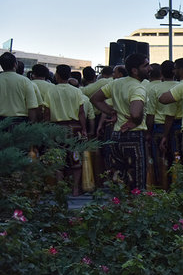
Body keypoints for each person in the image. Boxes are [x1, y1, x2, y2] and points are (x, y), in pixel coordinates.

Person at [91, 53, 151, 190]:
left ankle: (120, 208)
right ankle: (135, 210)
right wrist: (136, 120)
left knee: (120, 180)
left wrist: (112, 112)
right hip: (133, 136)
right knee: (137, 182)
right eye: (146, 66)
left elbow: (95, 99)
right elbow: (135, 113)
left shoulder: (116, 83)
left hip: (116, 136)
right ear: (135, 70)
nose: (150, 68)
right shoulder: (138, 88)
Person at [43, 64, 88, 196]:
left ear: (57, 75)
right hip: (74, 128)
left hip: (56, 129)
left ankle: (61, 189)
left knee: (57, 160)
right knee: (76, 159)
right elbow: (81, 113)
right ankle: (75, 189)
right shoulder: (77, 91)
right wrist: (84, 129)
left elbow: (46, 113)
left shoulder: (50, 91)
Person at [145, 60, 178, 187]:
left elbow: (150, 114)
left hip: (158, 127)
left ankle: (162, 187)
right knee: (177, 159)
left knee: (160, 160)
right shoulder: (180, 86)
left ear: (161, 74)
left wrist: (148, 132)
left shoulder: (154, 89)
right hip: (179, 126)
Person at [0, 52, 38, 125]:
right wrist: (31, 124)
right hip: (19, 122)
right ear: (15, 64)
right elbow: (32, 106)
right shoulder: (25, 81)